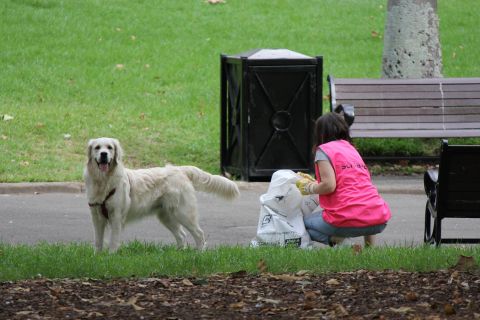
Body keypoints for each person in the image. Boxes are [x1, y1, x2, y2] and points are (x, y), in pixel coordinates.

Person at [296, 112, 391, 247]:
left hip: (345, 219)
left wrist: (309, 187)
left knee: (300, 225)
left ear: (320, 133)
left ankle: (342, 243)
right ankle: (369, 251)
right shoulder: (352, 150)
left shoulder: (323, 151)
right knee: (363, 204)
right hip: (378, 219)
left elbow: (329, 186)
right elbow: (363, 194)